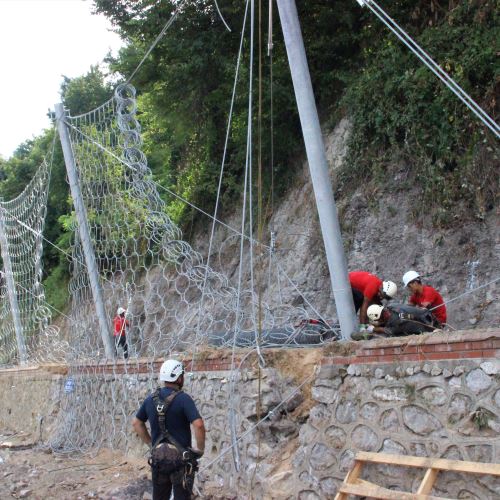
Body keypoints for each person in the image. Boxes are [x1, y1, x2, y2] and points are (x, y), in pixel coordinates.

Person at [132, 359, 206, 500]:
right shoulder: (184, 399)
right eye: (182, 375)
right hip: (181, 461)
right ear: (178, 378)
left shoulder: (150, 399)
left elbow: (136, 423)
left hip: (158, 459)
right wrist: (200, 450)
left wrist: (151, 444)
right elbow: (199, 425)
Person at [352, 303, 435, 340]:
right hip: (424, 317)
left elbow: (389, 331)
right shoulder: (392, 306)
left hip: (426, 329)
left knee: (388, 337)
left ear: (380, 316)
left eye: (377, 319)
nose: (378, 321)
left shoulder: (398, 321)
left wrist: (373, 329)